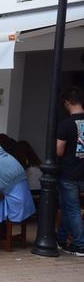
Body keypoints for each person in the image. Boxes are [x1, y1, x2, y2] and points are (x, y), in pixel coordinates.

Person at [56, 86, 84, 256]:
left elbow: (59, 150)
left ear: (67, 103)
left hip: (69, 172)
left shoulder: (66, 124)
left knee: (72, 208)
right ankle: (61, 238)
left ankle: (80, 244)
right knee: (67, 207)